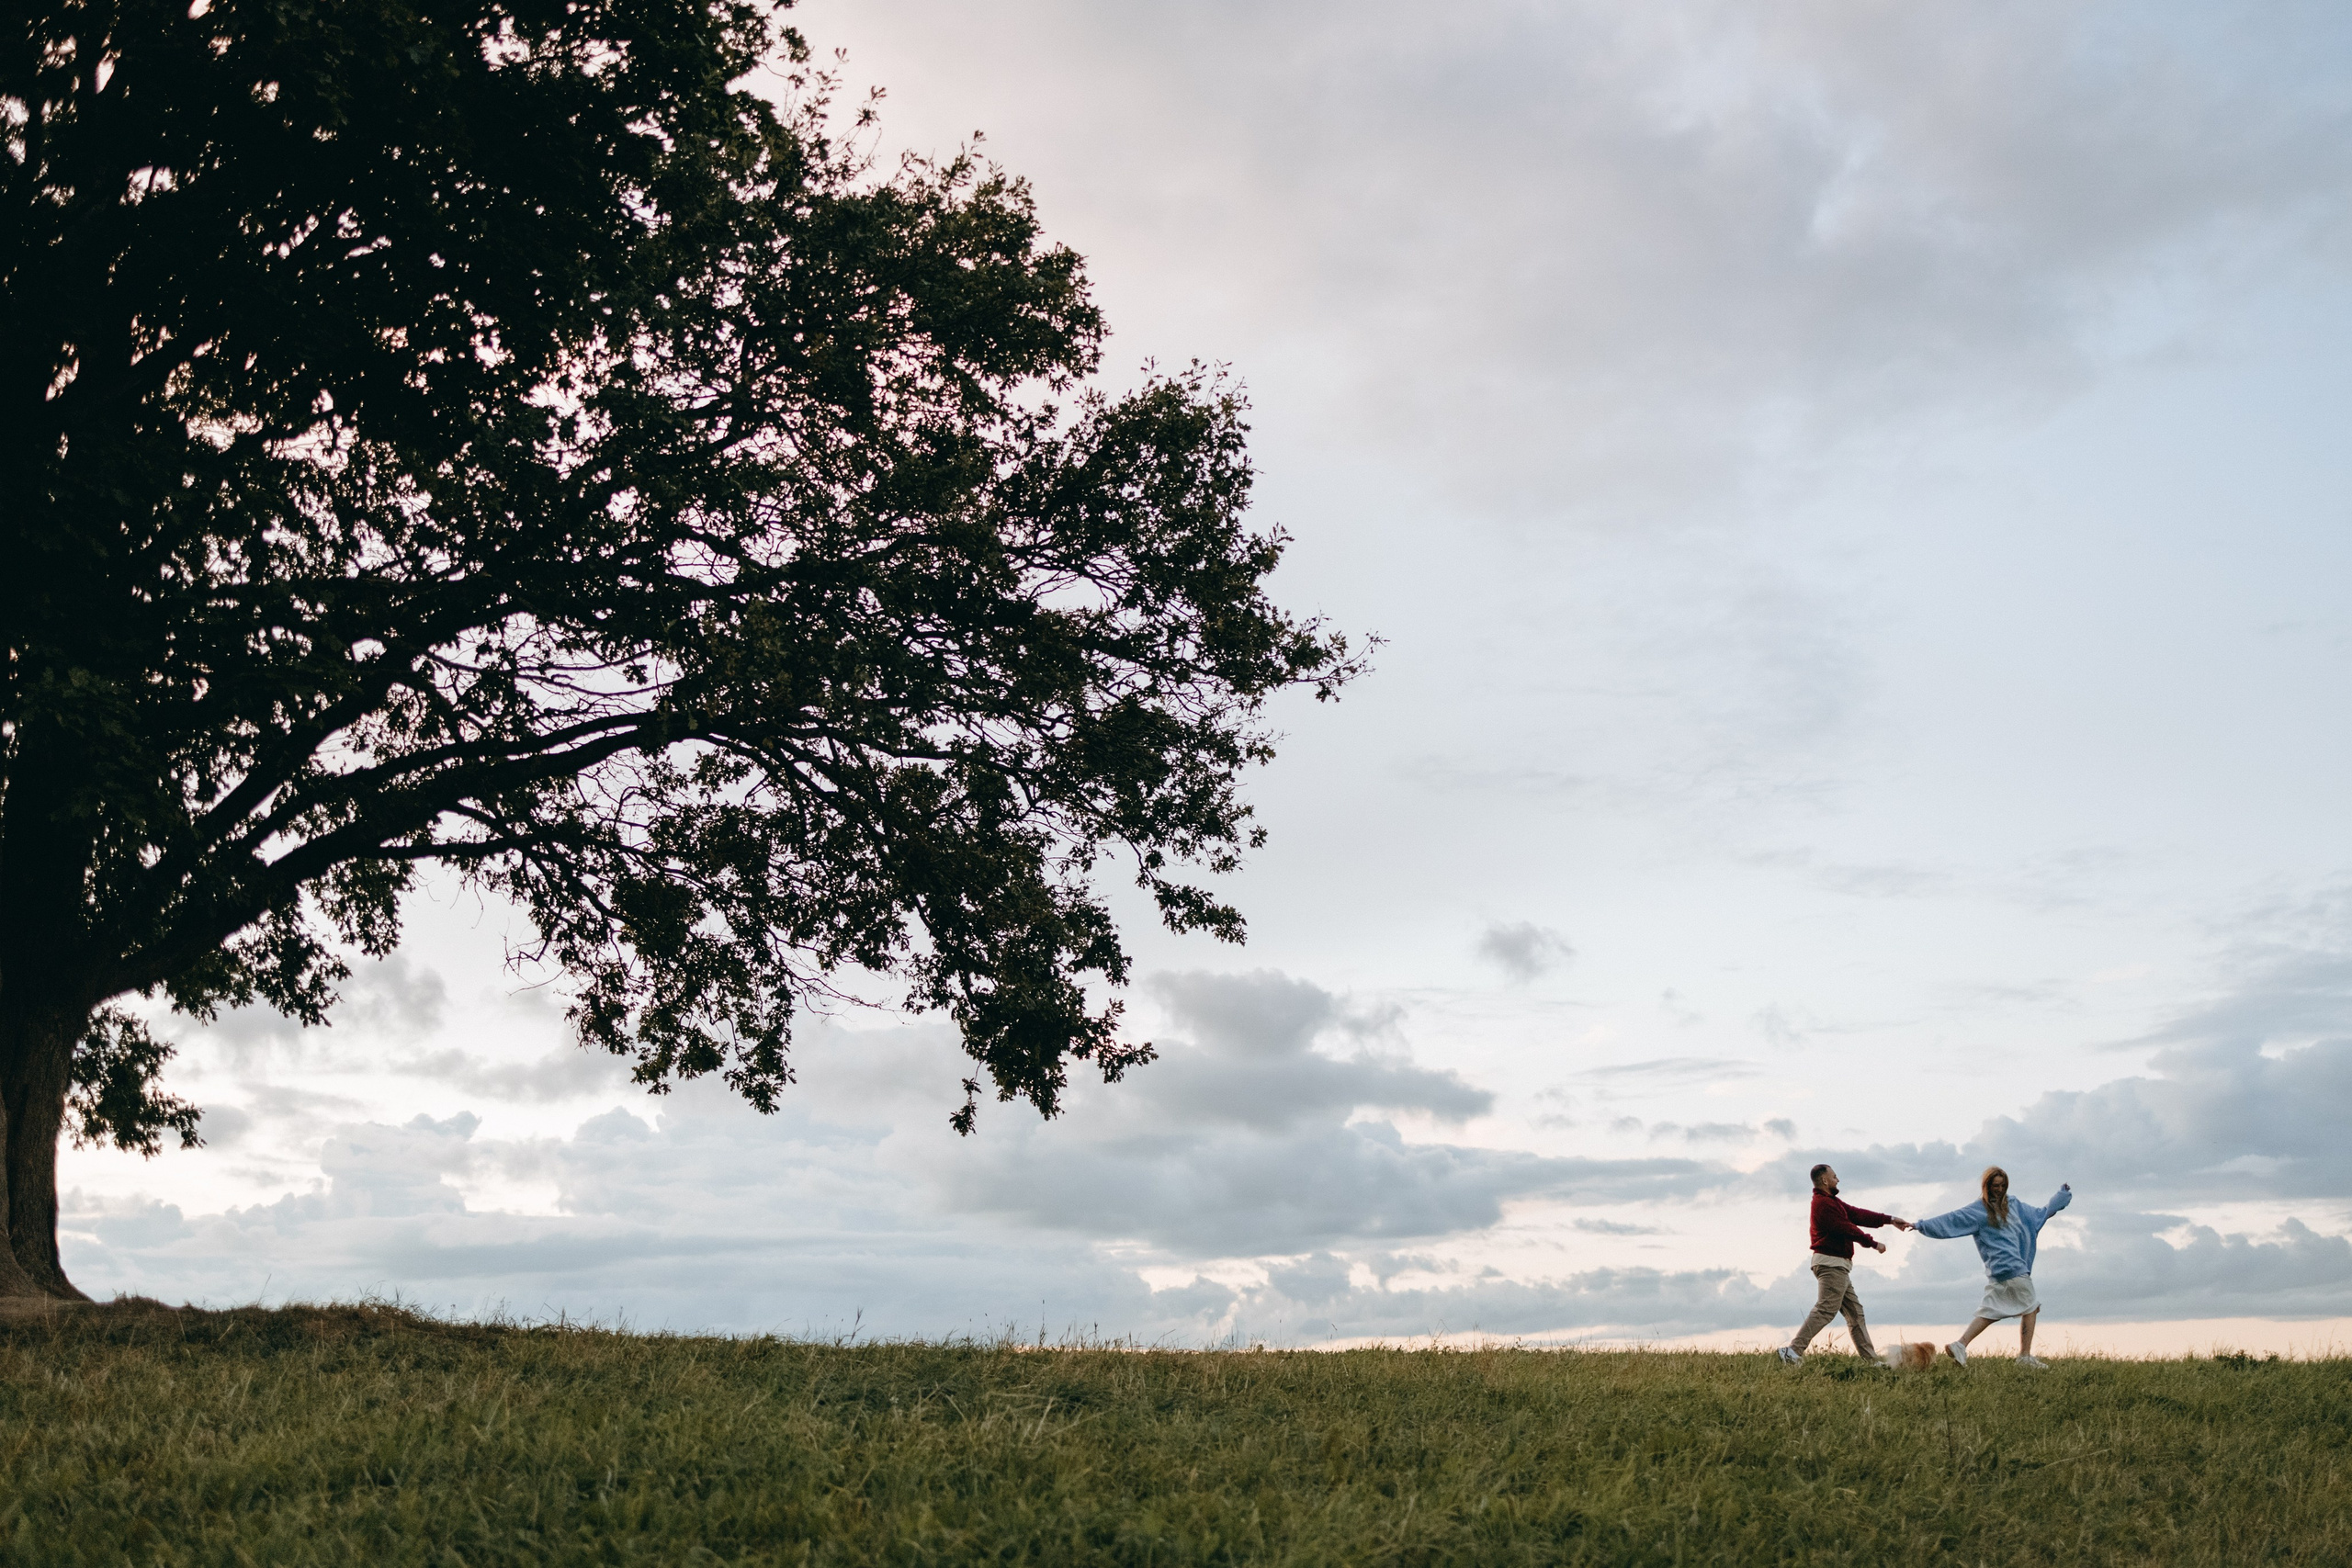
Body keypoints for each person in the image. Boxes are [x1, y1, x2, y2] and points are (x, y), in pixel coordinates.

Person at [1916, 1166, 2071, 1369]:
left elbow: (2040, 1214)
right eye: (1995, 1186)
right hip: (2011, 1267)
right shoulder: (1979, 1210)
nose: (1999, 1189)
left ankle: (1960, 1345)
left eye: (2002, 1185)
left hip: (1999, 1272)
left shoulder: (2014, 1206)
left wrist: (2061, 1197)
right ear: (1987, 1186)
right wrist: (1921, 1225)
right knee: (2031, 1307)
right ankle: (2024, 1357)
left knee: (1990, 1311)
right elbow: (1952, 1220)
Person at [1778, 1163, 1913, 1365]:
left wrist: (1890, 1219)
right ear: (1825, 1180)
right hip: (1831, 1264)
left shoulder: (1833, 1203)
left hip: (1838, 1266)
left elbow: (1857, 1214)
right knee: (1826, 1309)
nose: (1838, 1179)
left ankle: (1872, 1362)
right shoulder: (1823, 1204)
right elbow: (1846, 1228)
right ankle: (1793, 1351)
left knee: (1855, 1314)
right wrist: (1873, 1243)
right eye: (1834, 1176)